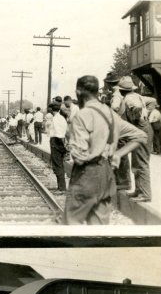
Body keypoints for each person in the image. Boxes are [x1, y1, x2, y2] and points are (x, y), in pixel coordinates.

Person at [64, 75, 149, 224]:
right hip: (106, 174)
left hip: (86, 174)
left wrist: (71, 144)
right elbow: (141, 136)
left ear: (78, 92)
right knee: (99, 226)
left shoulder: (82, 115)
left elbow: (79, 156)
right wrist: (118, 154)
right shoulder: (111, 114)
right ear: (97, 91)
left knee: (72, 224)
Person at [47, 100, 68, 193]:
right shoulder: (62, 118)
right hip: (60, 141)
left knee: (57, 165)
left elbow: (58, 134)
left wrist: (60, 145)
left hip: (56, 141)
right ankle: (61, 186)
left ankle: (62, 188)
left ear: (52, 110)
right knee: (60, 165)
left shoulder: (55, 119)